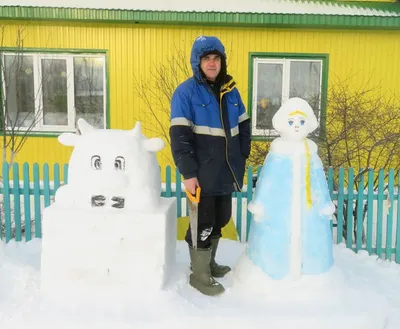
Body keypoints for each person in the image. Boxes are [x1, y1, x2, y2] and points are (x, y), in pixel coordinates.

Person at [169, 36, 251, 296]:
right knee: (202, 223)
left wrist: (243, 155)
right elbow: (180, 136)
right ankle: (199, 274)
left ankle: (210, 262)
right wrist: (188, 173)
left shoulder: (231, 90)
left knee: (221, 219)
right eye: (207, 59)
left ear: (222, 61)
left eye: (216, 59)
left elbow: (244, 125)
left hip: (226, 170)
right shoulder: (186, 92)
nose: (212, 63)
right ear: (198, 62)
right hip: (202, 173)